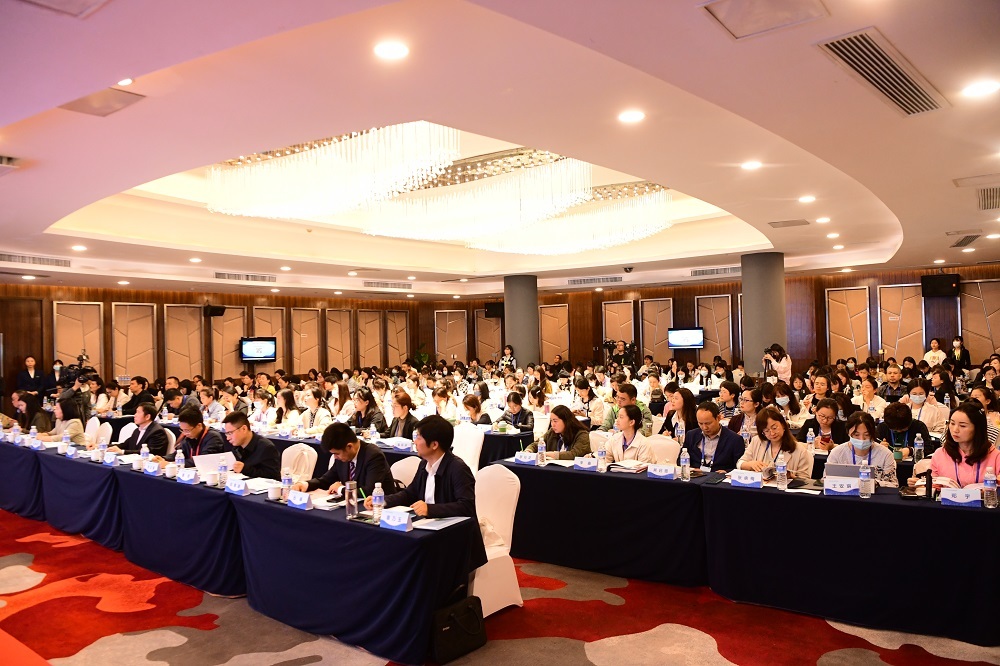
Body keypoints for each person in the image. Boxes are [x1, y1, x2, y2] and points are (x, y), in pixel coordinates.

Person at [292, 422, 395, 497]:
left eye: (337, 454)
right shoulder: (343, 457)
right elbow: (326, 480)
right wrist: (306, 484)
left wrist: (341, 489)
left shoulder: (373, 456)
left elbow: (369, 492)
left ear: (349, 446)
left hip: (378, 508)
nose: (335, 457)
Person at [922, 402, 1000, 488]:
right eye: (952, 423)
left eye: (962, 426)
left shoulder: (996, 457)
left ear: (977, 428)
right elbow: (934, 486)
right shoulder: (940, 454)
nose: (955, 430)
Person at [826, 411, 898, 487]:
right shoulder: (837, 453)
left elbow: (893, 485)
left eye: (867, 434)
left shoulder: (885, 454)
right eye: (856, 435)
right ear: (848, 433)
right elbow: (826, 481)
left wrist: (873, 483)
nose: (862, 439)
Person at [738, 408, 813, 479]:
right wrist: (750, 464)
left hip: (784, 487)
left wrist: (791, 477)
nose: (772, 433)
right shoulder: (757, 441)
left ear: (783, 424)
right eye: (766, 431)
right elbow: (740, 463)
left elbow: (805, 481)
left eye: (774, 428)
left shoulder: (800, 450)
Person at [685, 401, 746, 471]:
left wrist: (727, 472)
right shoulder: (691, 435)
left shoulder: (735, 439)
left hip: (720, 475)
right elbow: (681, 460)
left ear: (718, 418)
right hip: (696, 474)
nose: (704, 427)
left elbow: (739, 466)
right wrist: (691, 469)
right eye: (700, 423)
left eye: (708, 423)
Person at [223, 411, 280, 480]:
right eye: (226, 434)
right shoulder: (237, 447)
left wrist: (245, 469)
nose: (228, 438)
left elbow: (273, 476)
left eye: (230, 433)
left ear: (244, 429)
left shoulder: (266, 448)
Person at [526, 404, 591, 460]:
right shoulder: (552, 431)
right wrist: (528, 451)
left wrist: (552, 455)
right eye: (551, 421)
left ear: (566, 421)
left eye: (555, 421)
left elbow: (575, 454)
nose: (552, 424)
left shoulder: (582, 434)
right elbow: (537, 444)